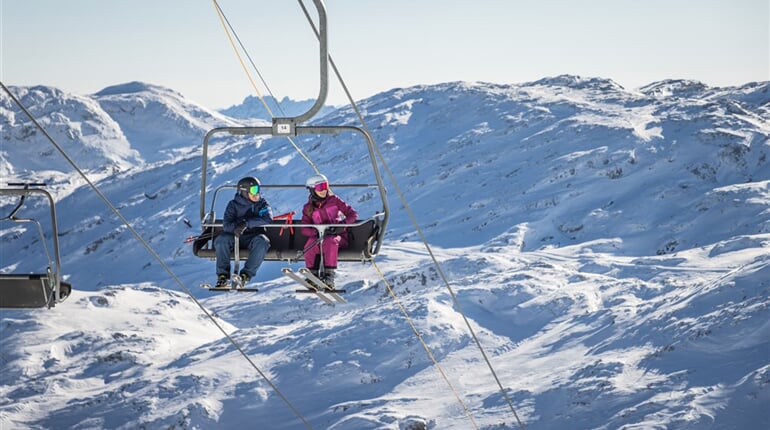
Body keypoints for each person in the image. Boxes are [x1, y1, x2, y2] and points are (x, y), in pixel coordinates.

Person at [300, 174, 358, 289]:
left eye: (325, 186)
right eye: (320, 187)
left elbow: (353, 214)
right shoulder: (308, 208)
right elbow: (304, 228)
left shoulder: (334, 200)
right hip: (319, 238)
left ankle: (329, 276)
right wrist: (315, 232)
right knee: (310, 244)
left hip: (338, 238)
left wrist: (341, 226)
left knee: (329, 241)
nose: (323, 190)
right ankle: (313, 275)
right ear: (312, 189)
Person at [214, 176, 273, 288]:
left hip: (254, 237)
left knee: (263, 242)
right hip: (235, 237)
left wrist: (247, 223)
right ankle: (223, 276)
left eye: (258, 189)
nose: (257, 194)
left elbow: (267, 218)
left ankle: (245, 276)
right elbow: (227, 226)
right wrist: (238, 226)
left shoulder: (262, 204)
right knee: (221, 240)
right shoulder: (233, 205)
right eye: (254, 190)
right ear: (244, 192)